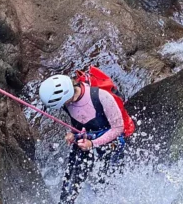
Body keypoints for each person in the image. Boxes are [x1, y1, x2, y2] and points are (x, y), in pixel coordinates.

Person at [39, 74, 126, 204]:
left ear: (67, 95)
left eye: (62, 103)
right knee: (70, 182)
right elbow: (80, 123)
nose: (63, 106)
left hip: (109, 144)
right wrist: (72, 134)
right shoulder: (67, 103)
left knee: (105, 181)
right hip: (85, 142)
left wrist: (92, 143)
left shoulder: (101, 97)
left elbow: (118, 128)